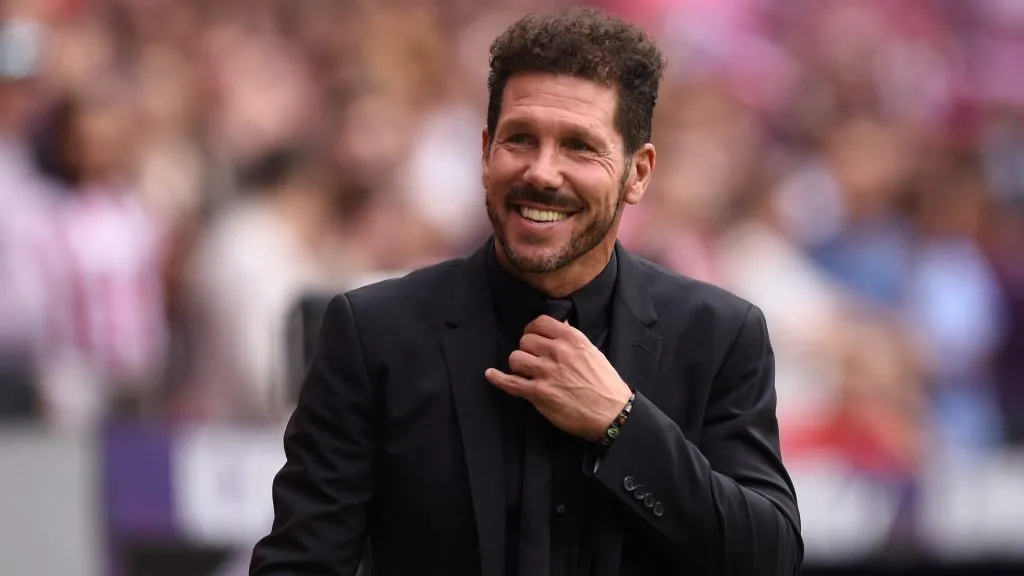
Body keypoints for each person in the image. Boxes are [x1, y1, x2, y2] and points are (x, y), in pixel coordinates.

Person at [250, 8, 802, 576]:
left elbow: (770, 557)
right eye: (520, 139)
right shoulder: (374, 334)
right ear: (485, 151)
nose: (541, 172)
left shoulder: (718, 336)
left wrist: (622, 425)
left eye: (579, 147)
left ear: (638, 173)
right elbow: (299, 563)